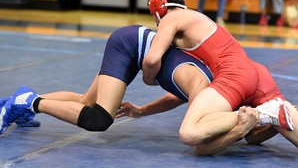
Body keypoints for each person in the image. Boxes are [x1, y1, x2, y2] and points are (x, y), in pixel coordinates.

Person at [0, 24, 266, 155]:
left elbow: (176, 97)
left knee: (86, 101)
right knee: (99, 119)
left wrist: (142, 111)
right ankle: (30, 101)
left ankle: (21, 104)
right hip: (130, 45)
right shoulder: (208, 91)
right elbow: (201, 144)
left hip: (135, 43)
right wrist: (239, 128)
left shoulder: (213, 92)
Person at [145, 0, 297, 148]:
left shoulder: (174, 21)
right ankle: (276, 115)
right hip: (250, 75)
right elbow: (181, 94)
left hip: (233, 80)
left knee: (197, 140)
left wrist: (149, 79)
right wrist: (142, 110)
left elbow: (152, 60)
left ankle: (265, 114)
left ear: (158, 6)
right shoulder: (196, 26)